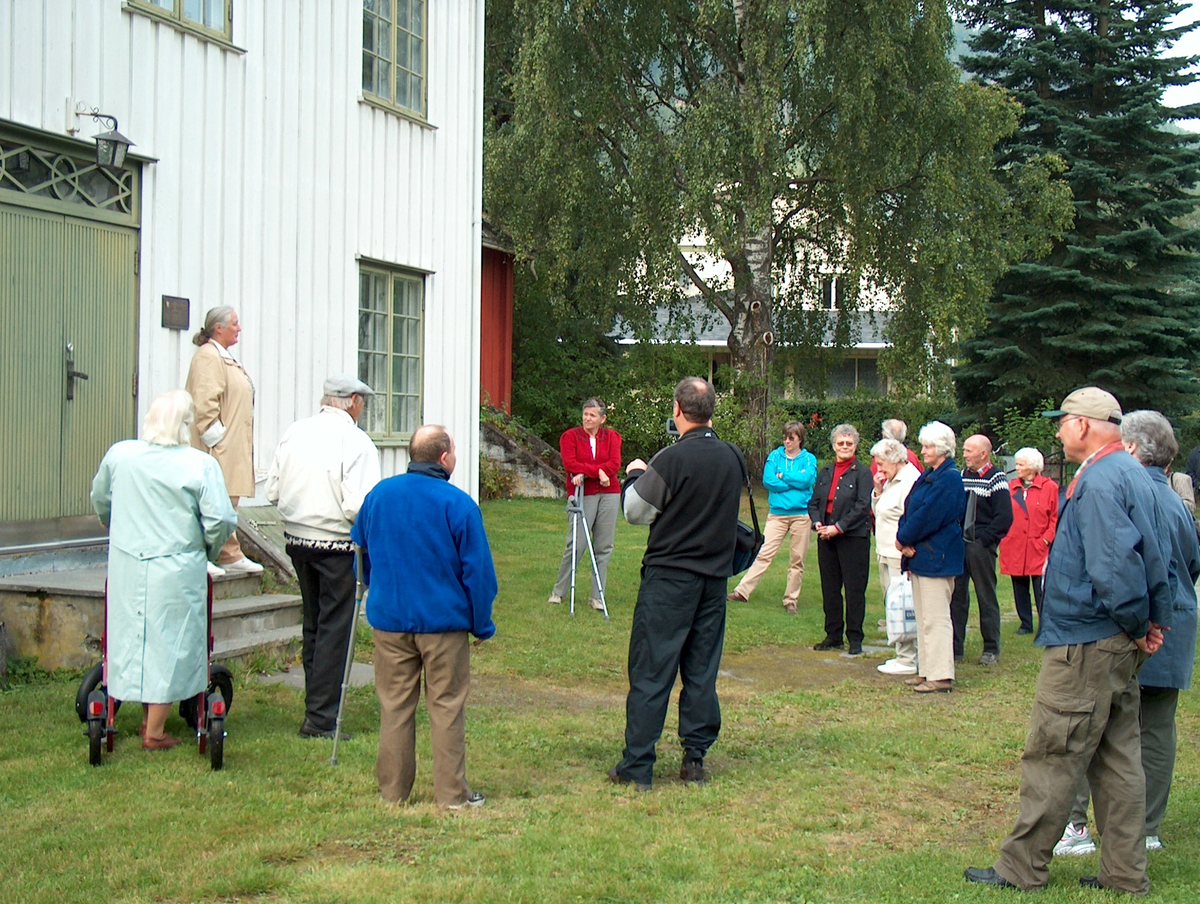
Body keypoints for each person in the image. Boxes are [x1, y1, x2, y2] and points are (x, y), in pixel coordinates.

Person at [965, 387, 1172, 895]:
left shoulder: (1100, 479)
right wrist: (1151, 622)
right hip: (1114, 640)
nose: (1057, 430)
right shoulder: (1133, 471)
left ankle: (1021, 867)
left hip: (1088, 642)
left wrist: (1133, 620)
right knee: (1118, 756)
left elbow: (1115, 566)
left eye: (1062, 421)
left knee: (1053, 750)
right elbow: (1158, 554)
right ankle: (1124, 873)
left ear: (1083, 425)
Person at [1053, 410, 1200, 858]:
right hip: (1171, 621)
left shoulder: (1124, 490)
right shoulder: (1175, 500)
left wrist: (1137, 622)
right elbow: (1191, 561)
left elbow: (1118, 564)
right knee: (1154, 728)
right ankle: (1146, 828)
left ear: (1132, 449)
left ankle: (1077, 826)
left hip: (1133, 626)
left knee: (1092, 724)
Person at [351, 425, 497, 809]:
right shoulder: (458, 505)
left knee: (395, 705)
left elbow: (360, 549)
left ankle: (393, 793)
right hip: (442, 624)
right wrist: (482, 622)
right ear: (445, 458)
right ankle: (451, 796)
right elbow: (478, 573)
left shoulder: (379, 496)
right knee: (446, 705)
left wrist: (370, 586)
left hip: (391, 620)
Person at [609, 377, 743, 790]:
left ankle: (638, 766)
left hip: (670, 579)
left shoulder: (670, 459)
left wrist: (634, 475)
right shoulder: (733, 457)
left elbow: (635, 512)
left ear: (678, 410)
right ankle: (695, 761)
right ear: (711, 411)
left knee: (652, 670)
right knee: (701, 670)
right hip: (713, 580)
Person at [90, 390, 238, 750]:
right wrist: (209, 548)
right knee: (170, 642)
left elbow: (100, 499)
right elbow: (220, 518)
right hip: (176, 564)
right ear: (186, 426)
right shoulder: (198, 464)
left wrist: (119, 526)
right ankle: (153, 732)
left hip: (128, 561)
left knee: (132, 638)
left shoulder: (121, 455)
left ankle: (137, 715)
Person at [264, 374, 382, 739]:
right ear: (352, 402)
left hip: (297, 539)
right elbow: (358, 506)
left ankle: (316, 706)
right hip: (336, 543)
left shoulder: (295, 432)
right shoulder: (357, 442)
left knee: (314, 622)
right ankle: (320, 716)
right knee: (335, 627)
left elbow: (272, 489)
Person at [185, 306, 261, 575]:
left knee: (227, 501)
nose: (239, 329)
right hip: (217, 447)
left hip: (231, 445)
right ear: (218, 328)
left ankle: (229, 553)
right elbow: (204, 404)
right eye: (235, 324)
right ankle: (200, 553)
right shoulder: (208, 356)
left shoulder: (223, 357)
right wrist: (217, 441)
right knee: (209, 501)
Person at [895, 422, 965, 693]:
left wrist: (905, 538)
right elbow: (910, 508)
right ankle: (926, 670)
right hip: (921, 555)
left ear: (943, 449)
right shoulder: (929, 475)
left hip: (938, 555)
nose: (923, 451)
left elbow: (929, 515)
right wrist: (903, 537)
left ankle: (941, 675)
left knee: (936, 618)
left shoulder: (949, 478)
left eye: (928, 446)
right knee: (923, 618)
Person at [727, 420, 818, 613]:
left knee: (797, 559)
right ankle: (742, 592)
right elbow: (768, 481)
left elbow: (807, 480)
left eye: (791, 438)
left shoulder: (808, 459)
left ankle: (791, 599)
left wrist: (783, 476)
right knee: (763, 553)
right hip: (777, 515)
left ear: (799, 439)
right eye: (785, 438)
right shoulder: (775, 456)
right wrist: (793, 481)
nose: (787, 441)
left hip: (801, 515)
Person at [548, 398, 622, 611]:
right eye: (585, 414)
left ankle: (597, 595)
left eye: (593, 415)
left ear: (602, 418)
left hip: (609, 493)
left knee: (604, 545)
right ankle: (559, 591)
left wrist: (592, 471)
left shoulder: (612, 437)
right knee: (577, 544)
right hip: (583, 494)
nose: (588, 419)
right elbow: (571, 464)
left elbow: (614, 463)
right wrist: (598, 472)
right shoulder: (570, 436)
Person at [809, 424, 873, 655]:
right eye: (840, 443)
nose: (844, 447)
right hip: (826, 536)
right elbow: (814, 502)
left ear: (855, 445)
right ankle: (833, 635)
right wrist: (817, 523)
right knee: (830, 587)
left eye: (849, 443)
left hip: (853, 537)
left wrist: (839, 527)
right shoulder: (825, 472)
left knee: (854, 589)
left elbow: (863, 505)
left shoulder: (863, 473)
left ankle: (855, 637)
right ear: (833, 445)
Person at [950, 434, 1012, 666]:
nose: (964, 454)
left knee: (986, 595)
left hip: (980, 545)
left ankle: (991, 648)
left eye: (968, 450)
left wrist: (985, 540)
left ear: (983, 453)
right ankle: (955, 648)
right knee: (956, 595)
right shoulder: (962, 476)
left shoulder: (996, 478)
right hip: (959, 544)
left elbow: (1005, 516)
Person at [870, 438, 922, 675]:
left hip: (898, 553)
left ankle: (909, 657)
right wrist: (878, 491)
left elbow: (912, 518)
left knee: (903, 605)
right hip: (884, 550)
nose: (879, 469)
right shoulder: (891, 480)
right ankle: (903, 653)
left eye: (881, 464)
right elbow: (881, 511)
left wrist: (905, 545)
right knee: (892, 604)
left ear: (895, 460)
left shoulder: (909, 481)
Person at [998, 447, 1058, 636]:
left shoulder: (1050, 487)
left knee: (1041, 587)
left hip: (1038, 545)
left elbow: (1054, 517)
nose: (1017, 467)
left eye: (1021, 464)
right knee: (1019, 585)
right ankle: (1025, 623)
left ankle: (1045, 624)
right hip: (1015, 544)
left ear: (1032, 467)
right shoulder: (1011, 487)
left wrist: (1046, 540)